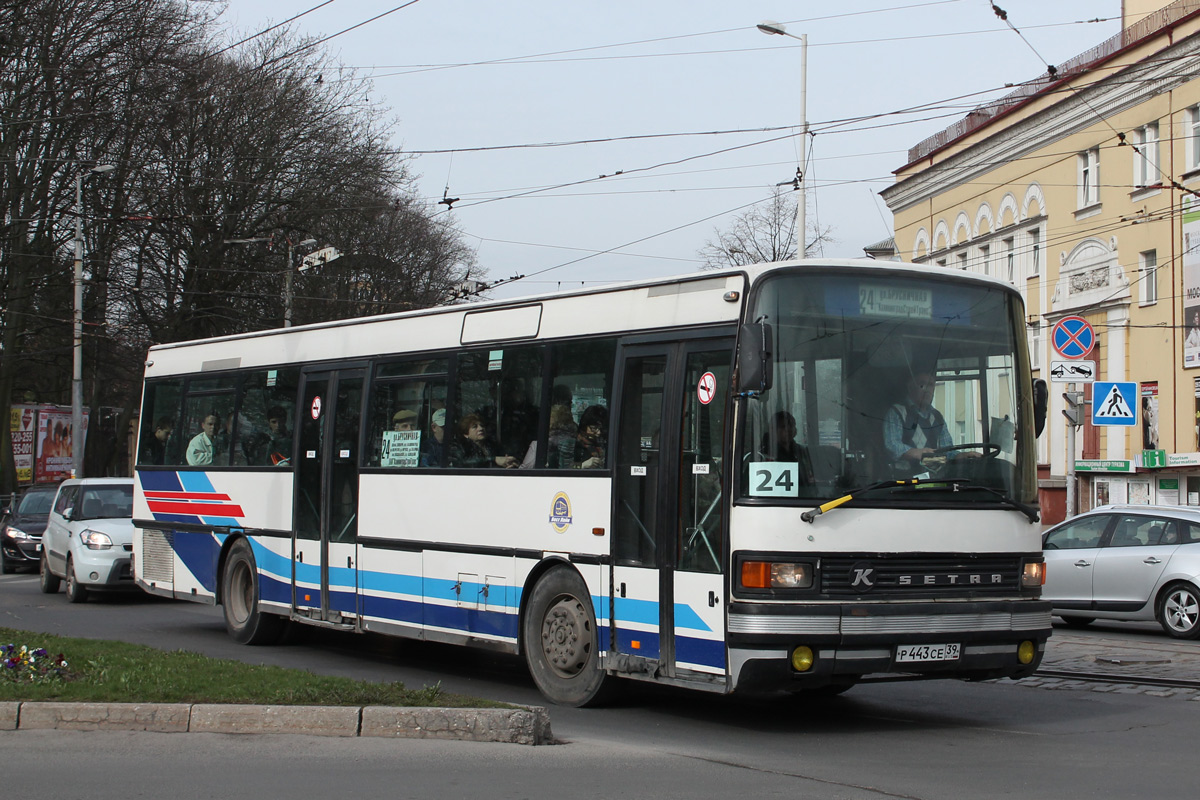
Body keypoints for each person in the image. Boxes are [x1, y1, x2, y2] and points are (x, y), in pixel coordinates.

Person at [883, 371, 956, 467]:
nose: (927, 390)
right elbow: (892, 445)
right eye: (922, 385)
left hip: (936, 477)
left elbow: (947, 450)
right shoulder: (897, 412)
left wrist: (960, 456)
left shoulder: (937, 417)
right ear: (910, 387)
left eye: (930, 385)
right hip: (905, 479)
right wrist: (914, 453)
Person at [761, 410, 815, 484]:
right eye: (783, 427)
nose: (788, 429)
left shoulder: (801, 451)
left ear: (795, 430)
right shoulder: (763, 453)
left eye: (791, 425)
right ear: (773, 430)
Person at [451, 413, 517, 468]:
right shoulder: (459, 447)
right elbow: (462, 463)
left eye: (482, 426)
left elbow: (503, 457)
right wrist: (494, 460)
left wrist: (509, 463)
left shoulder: (492, 445)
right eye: (475, 427)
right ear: (465, 434)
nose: (481, 428)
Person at [559, 404, 607, 469]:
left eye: (601, 429)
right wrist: (582, 465)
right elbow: (563, 468)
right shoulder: (572, 444)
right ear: (585, 426)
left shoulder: (602, 444)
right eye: (594, 428)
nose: (598, 432)